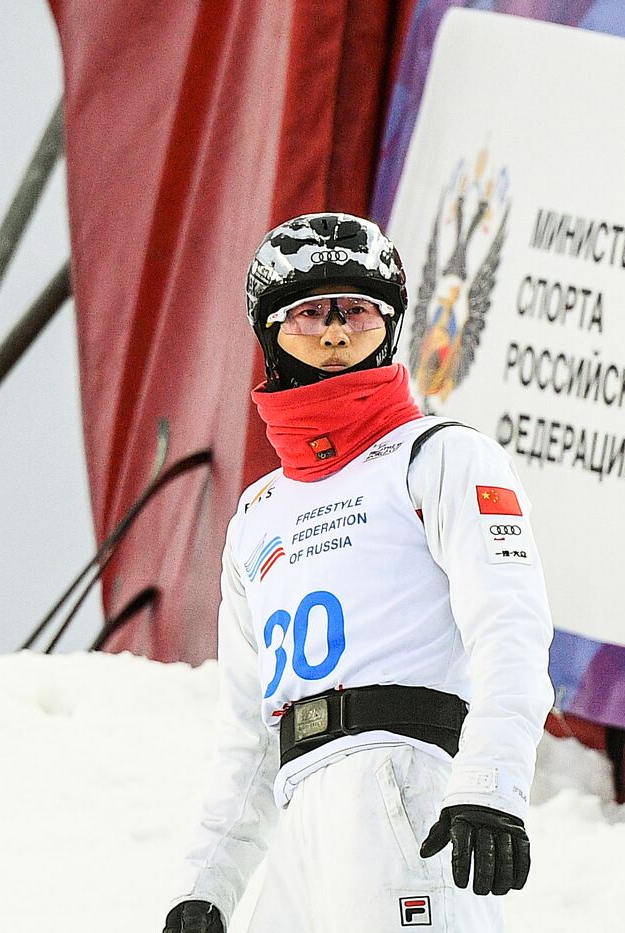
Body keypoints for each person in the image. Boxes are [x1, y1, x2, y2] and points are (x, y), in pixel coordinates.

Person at [162, 212, 554, 933]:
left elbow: (512, 626)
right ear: (270, 333)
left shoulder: (442, 456)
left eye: (359, 311)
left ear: (392, 324)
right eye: (310, 312)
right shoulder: (258, 513)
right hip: (298, 815)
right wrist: (207, 883)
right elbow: (250, 727)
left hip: (403, 787)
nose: (337, 333)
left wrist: (492, 783)